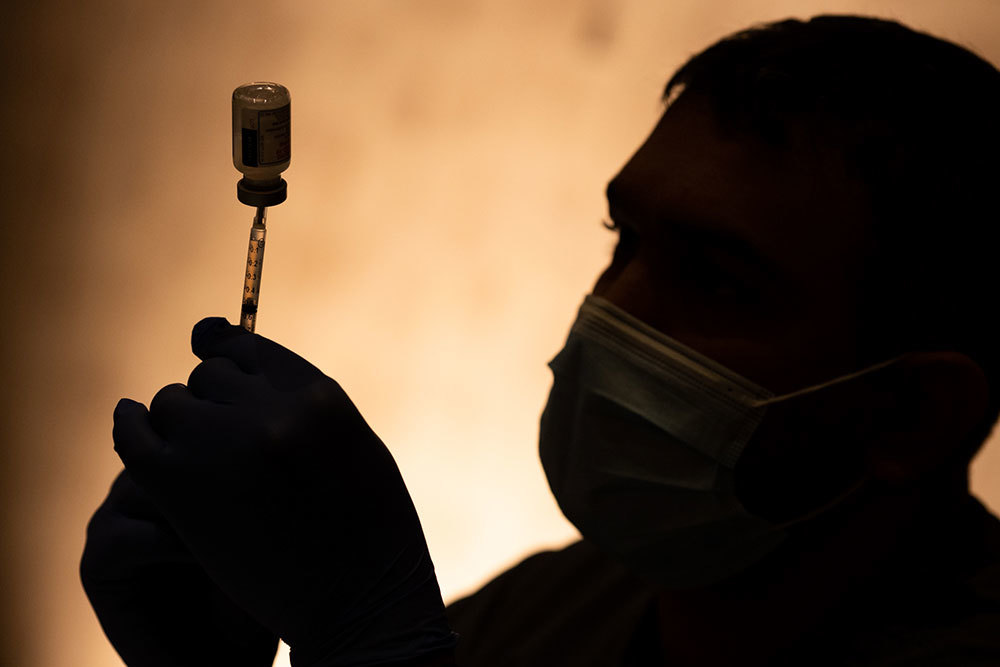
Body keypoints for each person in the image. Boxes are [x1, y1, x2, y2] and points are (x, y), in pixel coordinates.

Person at [81, 14, 1000, 667]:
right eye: (623, 241)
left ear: (911, 414)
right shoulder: (555, 616)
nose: (609, 314)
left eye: (718, 279)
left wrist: (371, 646)